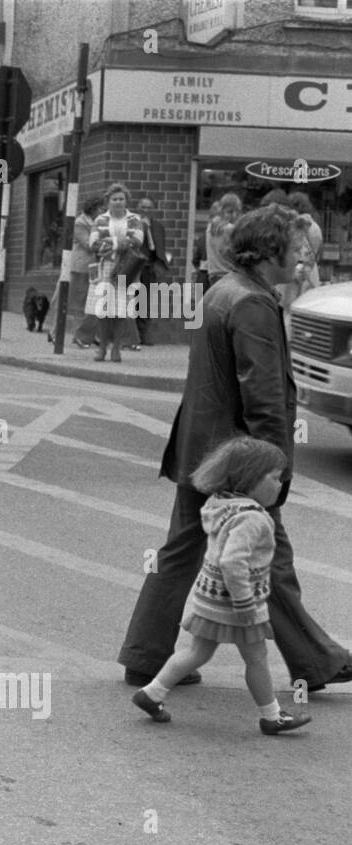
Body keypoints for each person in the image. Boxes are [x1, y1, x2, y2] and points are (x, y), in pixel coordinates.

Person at [118, 203, 352, 694]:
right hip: (238, 462)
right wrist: (275, 471)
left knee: (182, 551)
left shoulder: (224, 289)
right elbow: (263, 396)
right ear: (269, 252)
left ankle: (146, 654)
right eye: (295, 249)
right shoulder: (251, 304)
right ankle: (316, 662)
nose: (303, 259)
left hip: (200, 449)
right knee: (271, 557)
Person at [131, 437, 312, 735]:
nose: (281, 484)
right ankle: (271, 716)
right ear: (251, 478)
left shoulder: (221, 505)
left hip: (209, 598)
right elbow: (232, 562)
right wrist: (245, 604)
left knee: (196, 652)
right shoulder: (253, 518)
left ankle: (151, 693)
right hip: (237, 603)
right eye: (275, 478)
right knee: (256, 658)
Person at [88, 182, 145, 363]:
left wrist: (111, 243)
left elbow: (137, 240)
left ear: (126, 200)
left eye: (121, 199)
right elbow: (93, 243)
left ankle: (116, 349)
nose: (118, 202)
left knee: (122, 310)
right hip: (107, 267)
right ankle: (102, 348)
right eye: (114, 199)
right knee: (104, 310)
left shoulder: (135, 219)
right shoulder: (100, 220)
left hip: (128, 268)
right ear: (108, 201)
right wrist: (121, 243)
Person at [68, 195, 106, 348]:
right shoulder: (80, 222)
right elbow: (88, 243)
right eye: (100, 208)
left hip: (95, 267)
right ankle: (78, 335)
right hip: (81, 267)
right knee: (81, 302)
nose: (102, 211)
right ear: (93, 208)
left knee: (94, 302)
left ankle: (90, 334)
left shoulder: (98, 223)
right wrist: (107, 243)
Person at [134, 196, 170, 347]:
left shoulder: (158, 226)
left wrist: (160, 265)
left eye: (149, 207)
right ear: (138, 208)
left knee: (146, 302)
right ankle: (131, 335)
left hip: (150, 267)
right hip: (134, 267)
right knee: (132, 300)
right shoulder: (133, 224)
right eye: (143, 207)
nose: (146, 210)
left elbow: (160, 248)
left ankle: (143, 334)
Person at [204, 191, 242, 289]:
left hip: (213, 274)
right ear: (221, 211)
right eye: (230, 212)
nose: (234, 215)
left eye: (237, 212)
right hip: (228, 274)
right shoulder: (230, 229)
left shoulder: (210, 226)